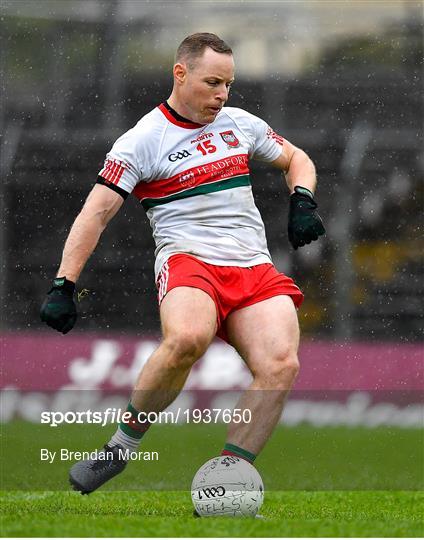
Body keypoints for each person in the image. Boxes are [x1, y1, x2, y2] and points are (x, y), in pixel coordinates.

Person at [40, 32, 325, 495]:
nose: (222, 95)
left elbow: (298, 159)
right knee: (187, 339)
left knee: (281, 365)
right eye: (213, 82)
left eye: (228, 85)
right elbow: (95, 214)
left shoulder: (240, 123)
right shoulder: (142, 141)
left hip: (253, 266)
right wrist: (63, 284)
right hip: (189, 261)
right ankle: (119, 448)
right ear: (180, 73)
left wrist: (303, 199)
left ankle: (226, 477)